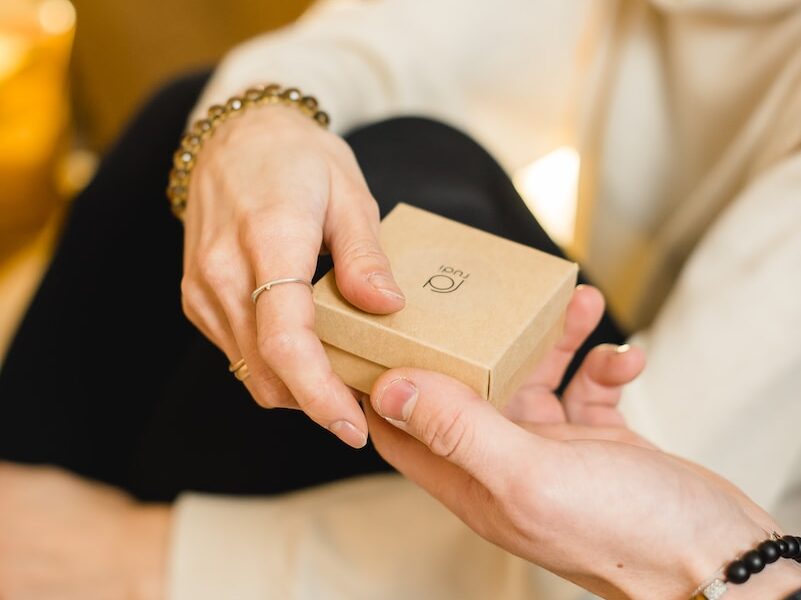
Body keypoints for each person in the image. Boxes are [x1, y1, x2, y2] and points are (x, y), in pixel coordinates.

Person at [1, 0, 800, 597]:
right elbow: (394, 38)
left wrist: (144, 558)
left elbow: (656, 514)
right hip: (600, 408)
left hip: (728, 519)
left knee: (405, 174)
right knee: (212, 123)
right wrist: (259, 130)